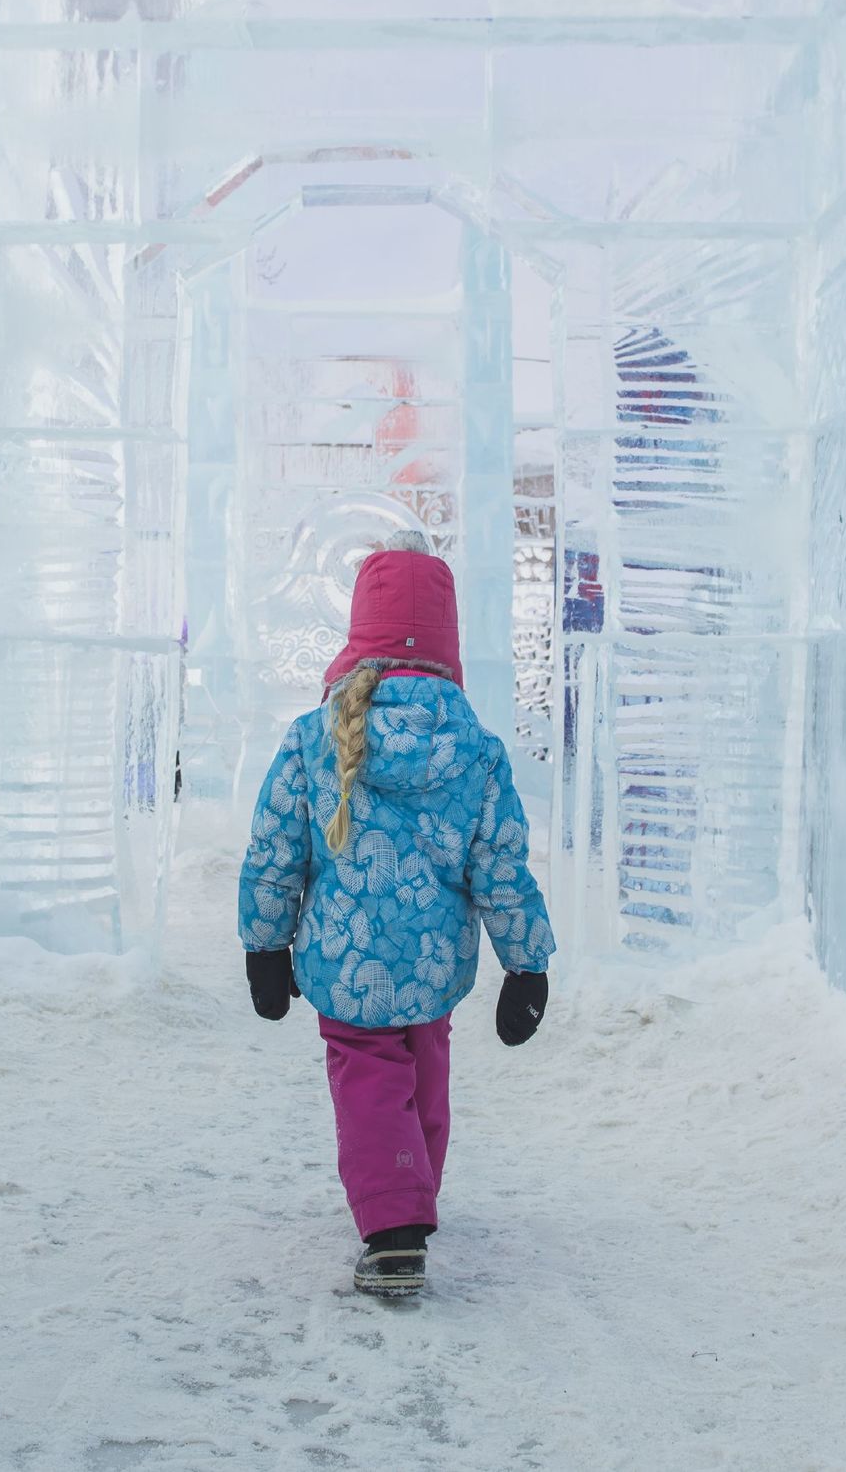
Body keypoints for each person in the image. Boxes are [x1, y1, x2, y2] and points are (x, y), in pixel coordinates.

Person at [237, 531, 555, 1300]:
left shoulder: (314, 740)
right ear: (448, 641)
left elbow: (277, 848)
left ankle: (394, 1226)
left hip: (347, 968)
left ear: (360, 633)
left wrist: (265, 944)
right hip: (435, 966)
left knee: (368, 1080)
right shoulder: (476, 750)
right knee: (424, 1076)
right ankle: (411, 1195)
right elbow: (502, 866)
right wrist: (526, 963)